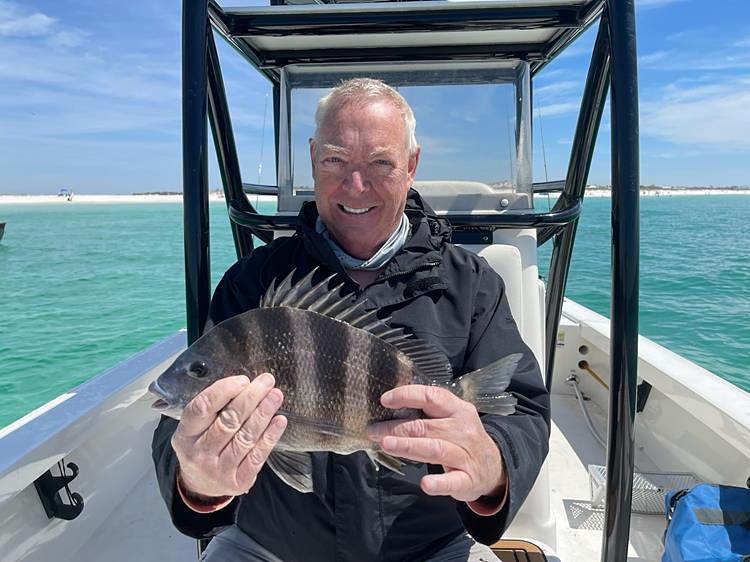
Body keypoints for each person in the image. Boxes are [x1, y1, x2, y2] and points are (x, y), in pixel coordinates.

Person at [152, 78, 550, 562]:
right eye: (336, 160)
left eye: (380, 163)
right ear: (314, 158)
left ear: (411, 166)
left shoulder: (472, 284)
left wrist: (494, 465)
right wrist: (197, 480)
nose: (355, 186)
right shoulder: (250, 284)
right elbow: (179, 426)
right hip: (269, 547)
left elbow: (524, 411)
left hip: (430, 548)